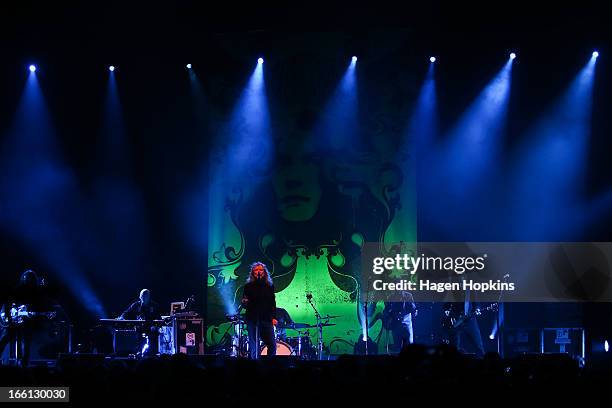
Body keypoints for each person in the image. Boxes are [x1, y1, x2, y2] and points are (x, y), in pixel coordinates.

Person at [241, 262, 277, 359]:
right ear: (252, 272)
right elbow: (244, 303)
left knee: (272, 345)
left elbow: (272, 303)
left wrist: (274, 317)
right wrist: (244, 302)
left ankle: (270, 366)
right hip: (252, 318)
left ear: (264, 272)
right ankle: (255, 367)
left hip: (266, 318)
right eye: (256, 270)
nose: (258, 272)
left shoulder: (269, 286)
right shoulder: (248, 286)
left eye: (261, 270)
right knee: (254, 345)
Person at [442, 286, 485, 357]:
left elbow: (476, 302)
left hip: (469, 320)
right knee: (454, 347)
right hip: (456, 321)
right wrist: (447, 310)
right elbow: (446, 303)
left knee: (479, 346)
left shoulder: (470, 289)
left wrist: (477, 308)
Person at [119, 289, 161, 356]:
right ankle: (138, 353)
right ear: (140, 297)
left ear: (149, 296)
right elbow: (126, 313)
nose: (144, 297)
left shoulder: (154, 305)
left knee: (152, 344)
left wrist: (155, 326)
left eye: (146, 296)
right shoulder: (136, 305)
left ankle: (152, 354)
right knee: (136, 340)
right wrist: (121, 318)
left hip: (151, 329)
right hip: (139, 329)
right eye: (143, 296)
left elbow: (159, 319)